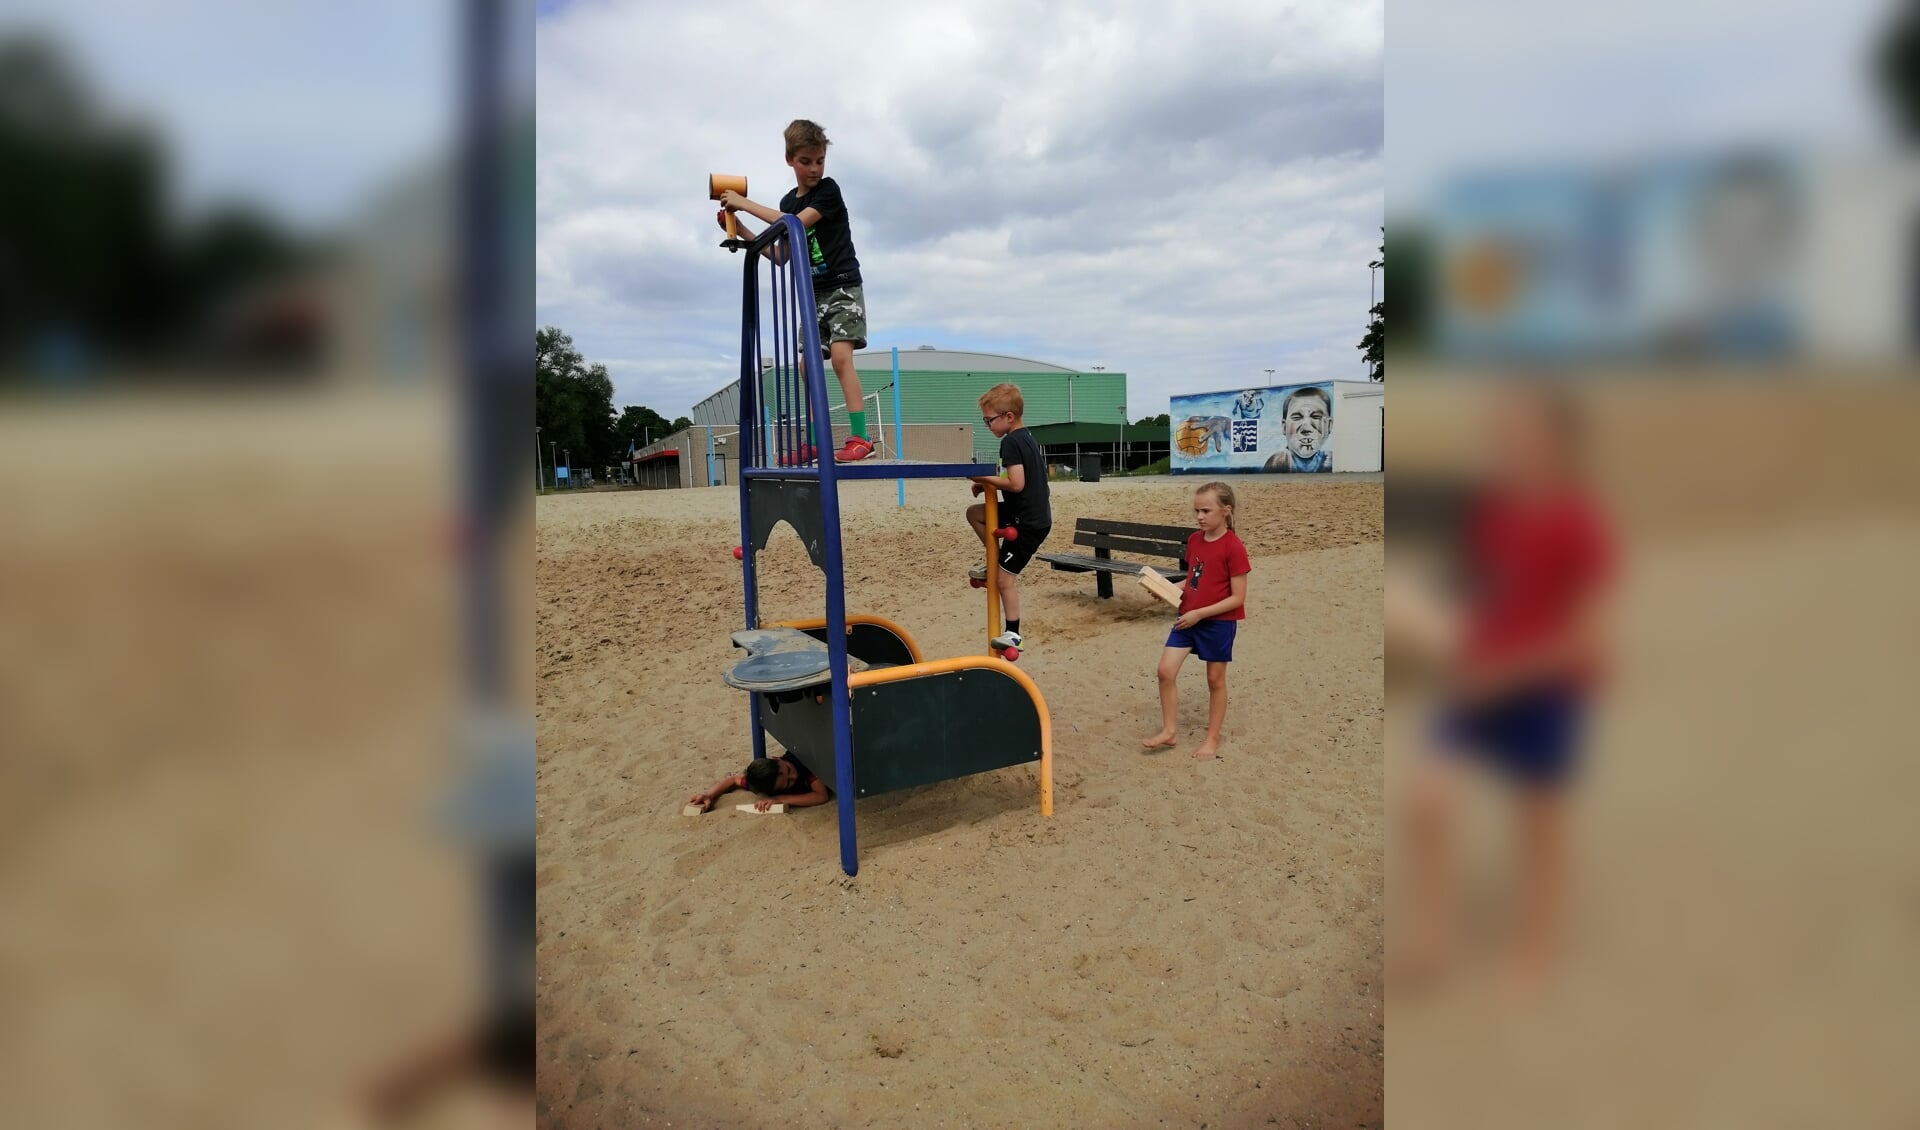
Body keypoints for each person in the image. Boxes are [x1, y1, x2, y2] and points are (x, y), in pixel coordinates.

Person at [1396, 383, 1616, 998]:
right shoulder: (1493, 513)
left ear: (1560, 443)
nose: (1506, 446)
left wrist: (1507, 671)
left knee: (1537, 825)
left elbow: (1589, 642)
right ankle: (1436, 934)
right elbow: (1485, 599)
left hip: (1545, 689)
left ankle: (1534, 948)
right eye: (1502, 435)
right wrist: (1428, 622)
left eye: (1521, 435)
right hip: (1478, 678)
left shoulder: (1580, 521)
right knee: (1426, 801)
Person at [716, 120, 875, 462]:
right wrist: (741, 228)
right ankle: (817, 441)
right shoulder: (789, 201)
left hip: (843, 286)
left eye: (820, 160)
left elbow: (793, 224)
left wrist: (744, 202)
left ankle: (861, 437)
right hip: (812, 292)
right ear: (790, 159)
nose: (815, 168)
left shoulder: (828, 192)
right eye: (806, 161)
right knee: (807, 367)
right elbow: (781, 255)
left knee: (842, 358)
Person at [1142, 482, 1251, 759]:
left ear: (1226, 511)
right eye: (1196, 511)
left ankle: (1212, 739)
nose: (1200, 516)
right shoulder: (1194, 541)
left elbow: (1238, 598)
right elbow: (1194, 579)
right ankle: (1169, 731)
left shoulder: (1234, 547)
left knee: (1215, 680)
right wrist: (1169, 590)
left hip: (1217, 622)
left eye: (1206, 510)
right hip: (1187, 618)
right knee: (1165, 671)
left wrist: (1200, 613)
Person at [966, 383, 1052, 653]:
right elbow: (1018, 478)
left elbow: (1015, 483)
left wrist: (982, 477)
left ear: (1008, 417)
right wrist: (990, 484)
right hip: (1024, 513)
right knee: (975, 513)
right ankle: (996, 559)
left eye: (989, 420)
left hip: (1028, 523)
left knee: (1004, 580)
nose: (986, 425)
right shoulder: (1024, 437)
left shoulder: (1011, 442)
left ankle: (1014, 634)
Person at [686, 752, 831, 813]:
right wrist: (709, 796)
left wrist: (779, 799)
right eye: (788, 783)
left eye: (788, 769)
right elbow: (734, 780)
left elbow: (821, 795)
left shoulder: (801, 764)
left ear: (777, 759)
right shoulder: (766, 783)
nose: (793, 776)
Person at [1261, 385, 1333, 472]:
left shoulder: (1331, 461)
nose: (1306, 428)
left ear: (1329, 425)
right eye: (1297, 417)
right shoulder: (1276, 463)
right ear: (1284, 427)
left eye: (1316, 417)